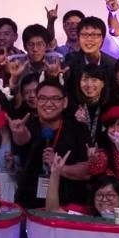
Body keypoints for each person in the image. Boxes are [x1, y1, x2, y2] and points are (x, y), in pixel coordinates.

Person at [9, 78, 92, 208]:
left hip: (68, 206)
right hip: (30, 206)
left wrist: (59, 169)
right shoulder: (27, 126)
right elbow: (22, 140)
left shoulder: (78, 129)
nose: (48, 103)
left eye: (55, 99)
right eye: (42, 98)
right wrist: (18, 132)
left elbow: (87, 171)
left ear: (65, 102)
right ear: (36, 101)